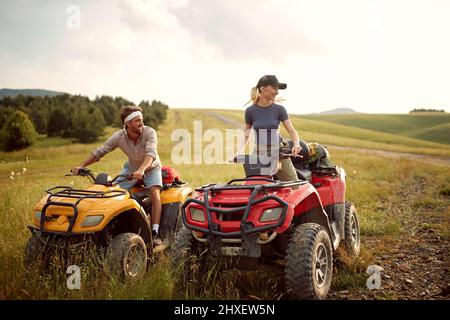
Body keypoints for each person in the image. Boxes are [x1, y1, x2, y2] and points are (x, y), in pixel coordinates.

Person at [71, 105, 163, 244]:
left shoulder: (150, 132)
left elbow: (151, 154)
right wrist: (81, 166)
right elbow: (100, 152)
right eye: (137, 120)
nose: (141, 123)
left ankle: (155, 231)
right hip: (131, 168)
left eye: (141, 119)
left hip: (151, 167)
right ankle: (113, 227)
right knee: (114, 193)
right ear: (127, 123)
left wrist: (142, 169)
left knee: (155, 193)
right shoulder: (118, 137)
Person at [236, 75, 302, 182]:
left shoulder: (279, 109)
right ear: (262, 88)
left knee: (295, 186)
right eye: (274, 88)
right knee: (253, 186)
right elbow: (246, 135)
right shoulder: (250, 111)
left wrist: (297, 144)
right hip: (258, 153)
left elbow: (292, 131)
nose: (277, 92)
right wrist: (239, 152)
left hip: (278, 154)